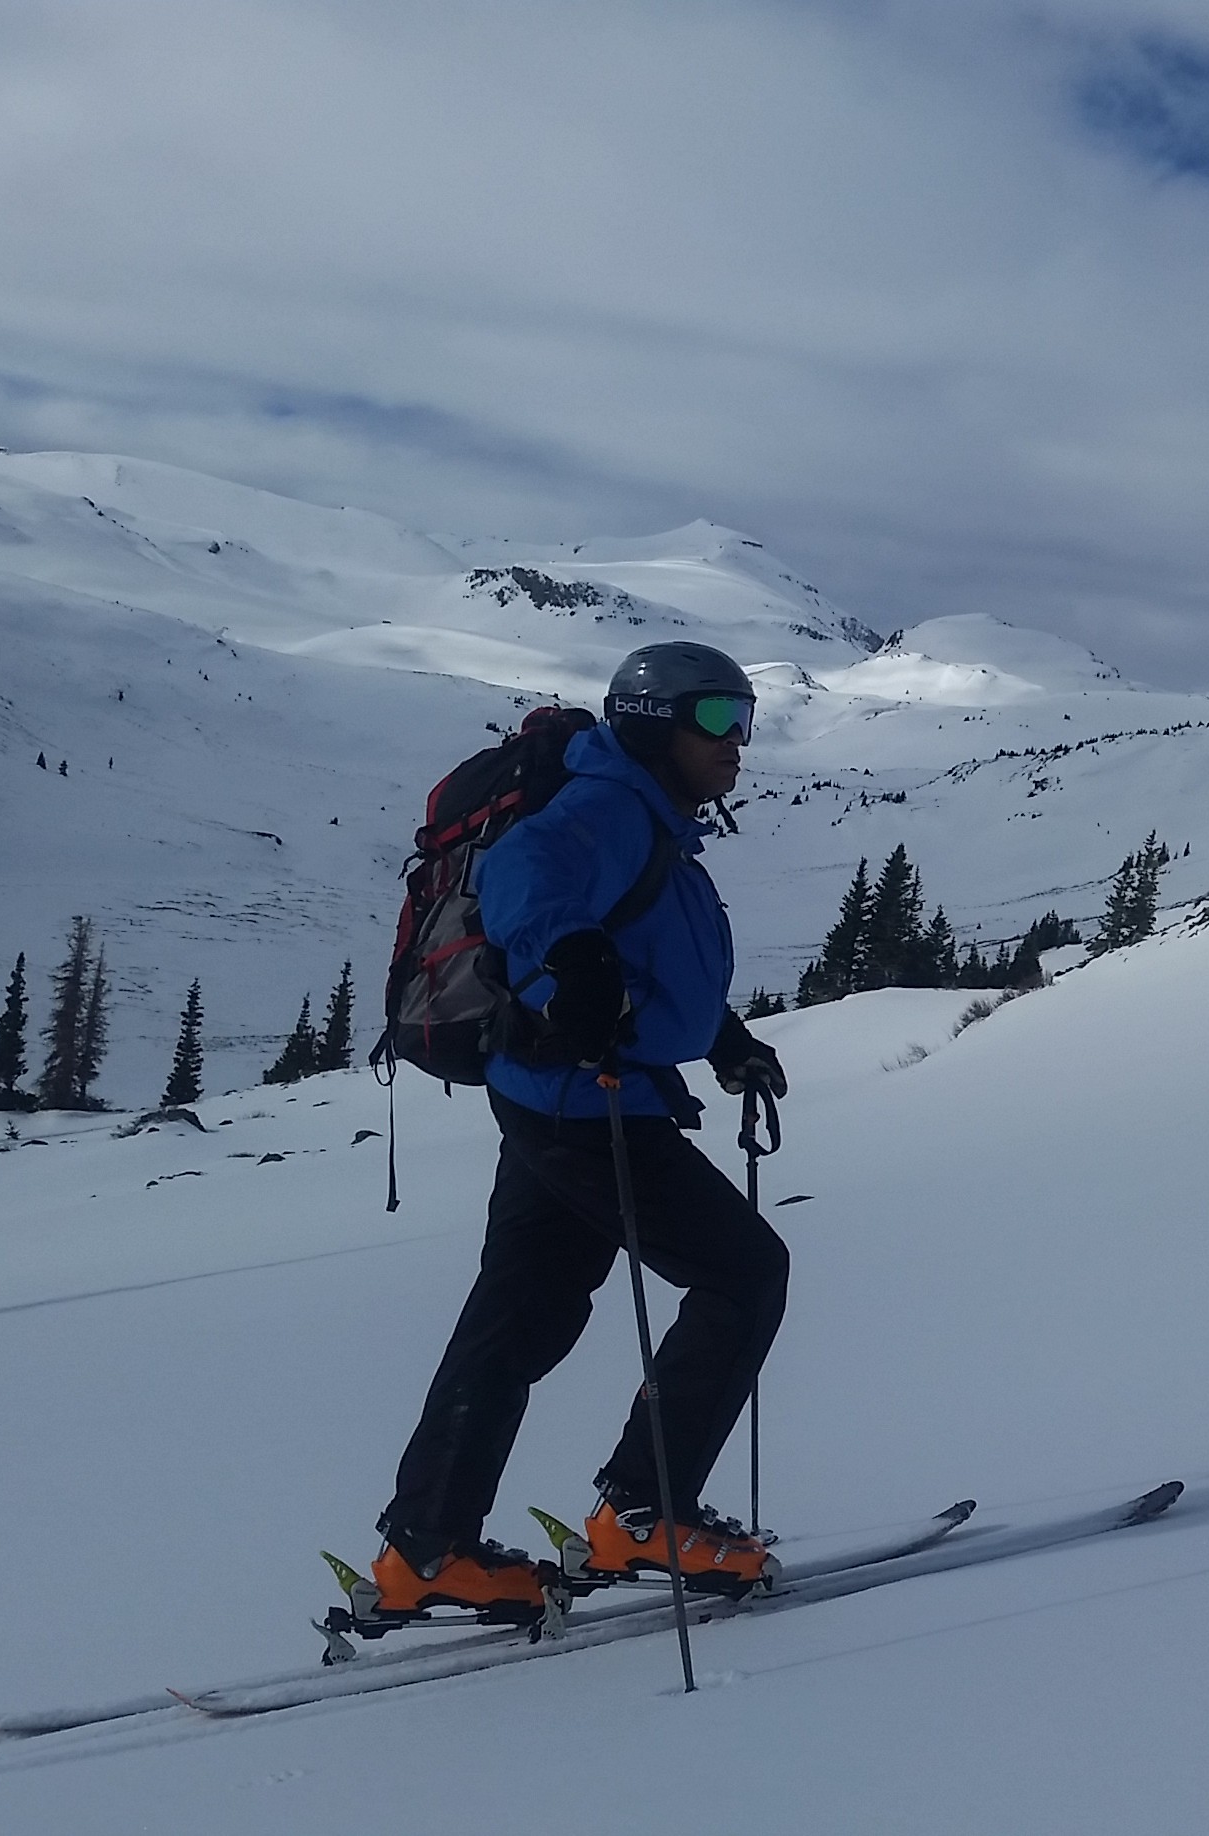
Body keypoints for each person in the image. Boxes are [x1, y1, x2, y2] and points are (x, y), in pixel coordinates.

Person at [365, 641, 794, 1620]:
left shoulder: (650, 819)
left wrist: (723, 1040)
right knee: (745, 1273)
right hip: (585, 1104)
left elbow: (645, 952)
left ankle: (426, 1550)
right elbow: (526, 877)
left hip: (567, 1096)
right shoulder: (606, 807)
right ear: (656, 725)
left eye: (745, 719)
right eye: (719, 721)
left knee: (521, 1313)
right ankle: (644, 1513)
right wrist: (571, 958)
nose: (738, 743)